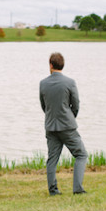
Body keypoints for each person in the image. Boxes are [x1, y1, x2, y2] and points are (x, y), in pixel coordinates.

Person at [39, 52, 88, 196]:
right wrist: (70, 117)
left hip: (51, 126)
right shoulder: (70, 82)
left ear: (51, 65)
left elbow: (44, 106)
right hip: (67, 126)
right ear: (62, 65)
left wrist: (51, 117)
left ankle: (53, 190)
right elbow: (76, 104)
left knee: (52, 159)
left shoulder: (43, 83)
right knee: (81, 155)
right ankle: (77, 188)